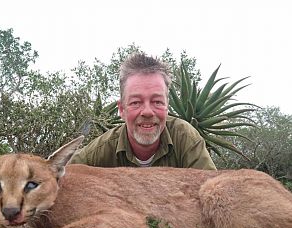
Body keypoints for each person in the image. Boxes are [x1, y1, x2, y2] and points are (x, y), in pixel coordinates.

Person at [70, 53, 216, 169]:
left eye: (157, 102)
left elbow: (213, 191)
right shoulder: (97, 153)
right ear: (122, 109)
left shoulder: (186, 139)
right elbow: (56, 175)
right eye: (136, 102)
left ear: (167, 106)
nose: (147, 112)